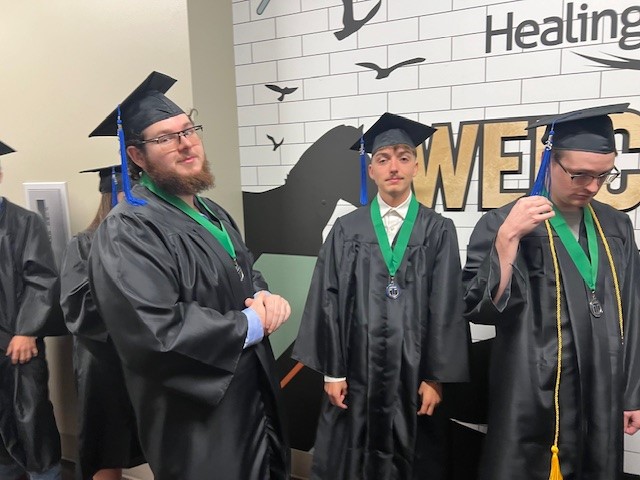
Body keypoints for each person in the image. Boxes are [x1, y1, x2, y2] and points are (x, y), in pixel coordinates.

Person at [86, 71, 291, 480]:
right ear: (137, 156)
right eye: (165, 137)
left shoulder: (214, 212)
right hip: (197, 419)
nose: (185, 143)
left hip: (251, 395)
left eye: (188, 130)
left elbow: (243, 272)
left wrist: (264, 297)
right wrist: (250, 324)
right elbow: (154, 331)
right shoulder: (129, 229)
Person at [462, 103, 640, 480]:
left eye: (603, 175)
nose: (592, 186)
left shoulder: (616, 227)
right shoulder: (503, 222)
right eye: (580, 175)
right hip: (531, 389)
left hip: (602, 387)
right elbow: (479, 309)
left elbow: (634, 311)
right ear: (549, 162)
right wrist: (508, 239)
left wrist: (632, 392)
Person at [293, 113, 470, 479]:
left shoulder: (438, 230)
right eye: (383, 159)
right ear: (370, 169)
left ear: (416, 167)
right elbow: (327, 299)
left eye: (403, 158)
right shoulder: (346, 230)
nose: (394, 167)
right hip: (357, 370)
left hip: (414, 373)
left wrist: (435, 376)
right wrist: (333, 372)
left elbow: (447, 305)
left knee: (415, 457)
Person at [60, 165, 144, 480]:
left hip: (145, 358)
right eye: (127, 194)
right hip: (102, 360)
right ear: (111, 196)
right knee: (106, 442)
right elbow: (77, 305)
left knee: (155, 436)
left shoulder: (149, 242)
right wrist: (136, 314)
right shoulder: (83, 244)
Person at [0, 141, 67, 480]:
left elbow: (41, 278)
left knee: (31, 418)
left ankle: (46, 474)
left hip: (17, 344)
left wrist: (27, 330)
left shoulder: (25, 222)